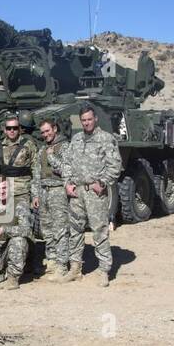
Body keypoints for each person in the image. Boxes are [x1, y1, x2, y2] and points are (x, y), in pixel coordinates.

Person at [64, 105, 122, 286]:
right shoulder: (76, 139)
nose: (87, 123)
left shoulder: (105, 139)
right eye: (83, 120)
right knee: (75, 230)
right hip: (77, 192)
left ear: (95, 119)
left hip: (95, 193)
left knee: (99, 230)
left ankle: (104, 270)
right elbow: (67, 162)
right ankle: (75, 268)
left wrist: (103, 182)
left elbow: (115, 166)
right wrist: (67, 183)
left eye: (89, 119)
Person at [37, 118, 71, 280]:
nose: (45, 134)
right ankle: (51, 261)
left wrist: (52, 158)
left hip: (58, 191)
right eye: (43, 132)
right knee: (47, 230)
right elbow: (37, 173)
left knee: (60, 229)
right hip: (44, 191)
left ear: (55, 129)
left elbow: (67, 170)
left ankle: (62, 265)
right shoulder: (42, 149)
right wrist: (35, 194)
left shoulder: (64, 146)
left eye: (48, 131)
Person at [0, 112, 42, 210]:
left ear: (19, 129)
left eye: (15, 128)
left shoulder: (29, 145)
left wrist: (35, 195)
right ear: (4, 130)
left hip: (23, 193)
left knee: (23, 224)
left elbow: (36, 170)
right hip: (4, 194)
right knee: (4, 223)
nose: (12, 131)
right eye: (9, 128)